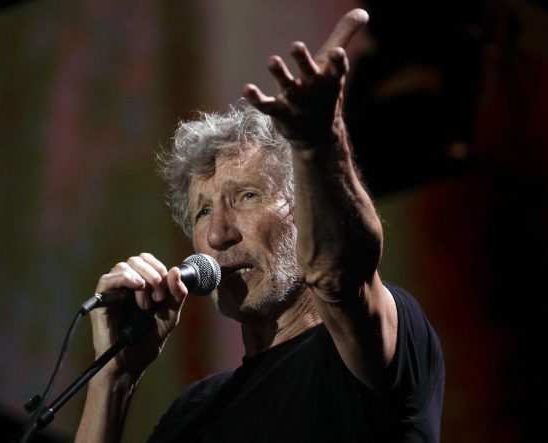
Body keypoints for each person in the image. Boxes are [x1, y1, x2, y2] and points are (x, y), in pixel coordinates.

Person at [74, 8, 444, 443]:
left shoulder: (371, 347)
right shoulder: (194, 412)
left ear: (302, 212)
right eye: (203, 212)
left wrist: (316, 147)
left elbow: (341, 275)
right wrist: (113, 377)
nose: (217, 235)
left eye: (246, 197)